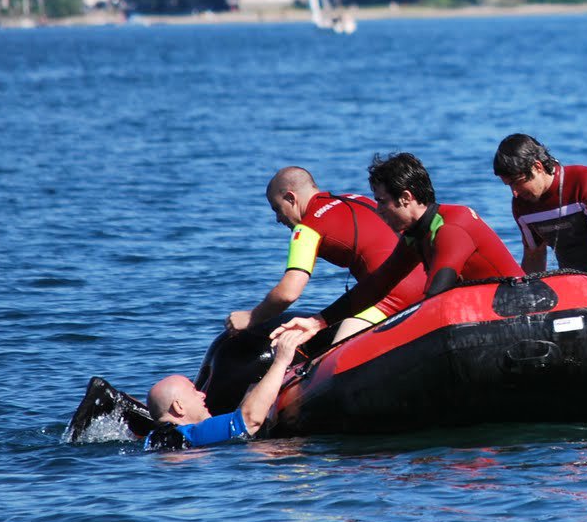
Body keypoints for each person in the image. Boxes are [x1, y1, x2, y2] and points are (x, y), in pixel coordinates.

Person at [274, 152, 523, 344]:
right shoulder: (415, 235)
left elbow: (436, 297)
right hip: (486, 313)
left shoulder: (450, 228)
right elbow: (378, 283)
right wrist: (319, 321)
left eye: (382, 202)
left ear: (406, 197)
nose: (378, 211)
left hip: (518, 312)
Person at [225, 166, 426, 338]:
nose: (278, 219)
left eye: (277, 208)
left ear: (290, 198)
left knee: (330, 360)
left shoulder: (307, 228)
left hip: (392, 300)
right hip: (429, 285)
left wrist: (252, 317)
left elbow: (288, 293)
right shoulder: (356, 199)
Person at [492, 134, 587, 287]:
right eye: (509, 186)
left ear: (537, 167)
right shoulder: (521, 204)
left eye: (517, 182)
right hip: (574, 289)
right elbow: (534, 256)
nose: (515, 193)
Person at [144, 326, 313, 450]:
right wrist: (281, 361)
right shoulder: (191, 433)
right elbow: (250, 420)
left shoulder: (152, 440)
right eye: (194, 392)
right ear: (178, 407)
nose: (202, 395)